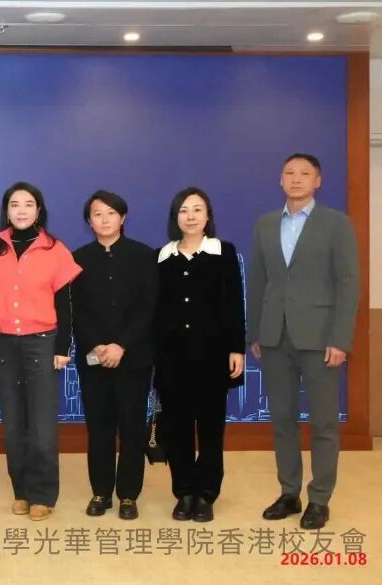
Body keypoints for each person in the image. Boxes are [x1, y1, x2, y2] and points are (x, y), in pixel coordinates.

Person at [248, 153, 359, 530]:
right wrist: (255, 332)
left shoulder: (336, 224)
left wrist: (340, 339)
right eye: (289, 173)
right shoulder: (265, 224)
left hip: (320, 339)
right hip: (274, 337)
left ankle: (320, 498)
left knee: (324, 423)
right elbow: (258, 282)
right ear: (280, 180)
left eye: (304, 173)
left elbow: (348, 284)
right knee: (283, 420)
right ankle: (289, 493)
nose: (296, 179)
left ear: (318, 181)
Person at [0, 182, 81, 521]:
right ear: (6, 210)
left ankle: (43, 494)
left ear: (39, 210)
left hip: (42, 342)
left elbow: (66, 303)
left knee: (41, 424)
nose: (21, 210)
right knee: (13, 424)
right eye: (15, 204)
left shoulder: (55, 249)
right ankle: (21, 491)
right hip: (3, 343)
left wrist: (62, 346)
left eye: (28, 204)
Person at [154, 187, 245, 523]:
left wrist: (236, 347)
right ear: (174, 217)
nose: (190, 216)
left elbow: (234, 303)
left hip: (212, 355)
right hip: (172, 357)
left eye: (197, 209)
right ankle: (184, 492)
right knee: (177, 429)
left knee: (210, 429)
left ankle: (206, 494)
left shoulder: (223, 252)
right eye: (183, 210)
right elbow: (156, 310)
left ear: (208, 216)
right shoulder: (162, 257)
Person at [71, 190, 158, 520]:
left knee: (132, 426)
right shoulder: (77, 259)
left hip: (133, 357)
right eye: (97, 214)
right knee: (99, 427)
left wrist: (121, 344)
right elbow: (76, 309)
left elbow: (148, 305)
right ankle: (101, 492)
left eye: (111, 213)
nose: (104, 219)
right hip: (93, 358)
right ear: (89, 221)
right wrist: (97, 345)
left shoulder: (143, 255)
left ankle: (128, 495)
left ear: (123, 218)